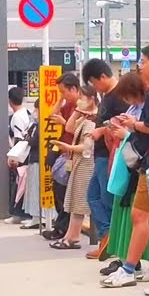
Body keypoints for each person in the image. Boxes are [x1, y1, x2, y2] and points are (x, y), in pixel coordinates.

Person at [100, 46, 149, 288]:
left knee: (139, 214)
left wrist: (134, 124)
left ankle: (128, 269)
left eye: (143, 62)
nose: (139, 66)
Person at [82, 59, 129, 254]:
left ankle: (111, 239)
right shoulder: (108, 96)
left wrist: (101, 130)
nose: (95, 87)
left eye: (94, 82)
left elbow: (123, 123)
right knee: (94, 196)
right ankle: (107, 237)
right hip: (102, 154)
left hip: (109, 155)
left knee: (105, 198)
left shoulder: (118, 96)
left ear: (102, 77)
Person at [49, 86, 99, 249]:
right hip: (78, 162)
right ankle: (70, 236)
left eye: (83, 98)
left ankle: (73, 238)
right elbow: (70, 128)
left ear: (91, 99)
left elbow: (88, 147)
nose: (79, 102)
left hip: (86, 164)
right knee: (73, 200)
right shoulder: (85, 116)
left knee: (78, 201)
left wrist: (68, 147)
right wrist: (78, 111)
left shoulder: (94, 119)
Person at [42, 74, 82, 240]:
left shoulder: (82, 106)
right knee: (59, 189)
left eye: (64, 91)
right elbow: (53, 114)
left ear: (74, 89)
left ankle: (63, 228)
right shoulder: (68, 105)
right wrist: (61, 98)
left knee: (66, 191)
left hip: (74, 152)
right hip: (63, 151)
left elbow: (80, 130)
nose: (63, 95)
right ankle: (61, 226)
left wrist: (64, 122)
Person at [6, 87, 34, 225]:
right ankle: (23, 213)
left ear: (10, 101)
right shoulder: (26, 113)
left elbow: (18, 139)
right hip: (28, 152)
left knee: (19, 183)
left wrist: (14, 157)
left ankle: (18, 213)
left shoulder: (16, 117)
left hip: (21, 153)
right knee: (24, 183)